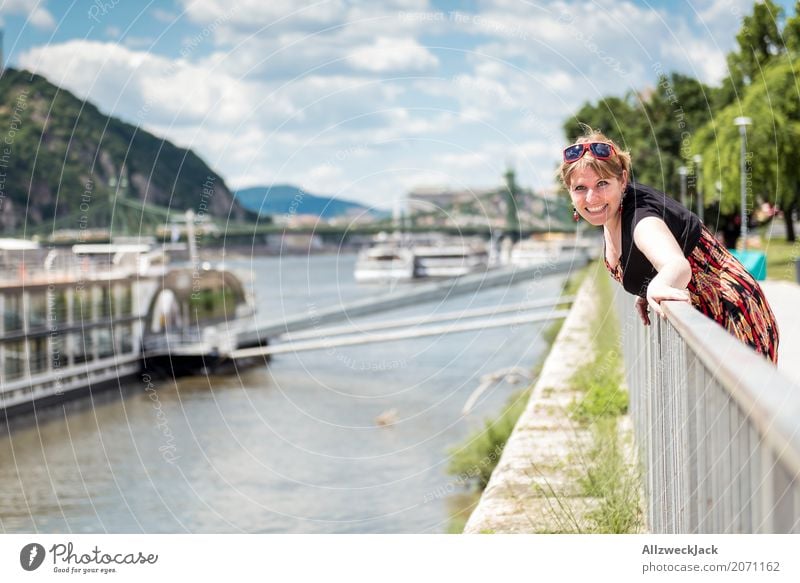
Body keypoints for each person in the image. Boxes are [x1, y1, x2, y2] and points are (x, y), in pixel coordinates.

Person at [558, 128, 779, 363]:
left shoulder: (640, 219)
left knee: (743, 398)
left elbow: (677, 265)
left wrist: (659, 285)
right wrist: (646, 287)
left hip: (732, 313)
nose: (591, 198)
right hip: (704, 320)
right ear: (570, 191)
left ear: (623, 180)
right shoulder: (613, 215)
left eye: (602, 183)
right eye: (580, 188)